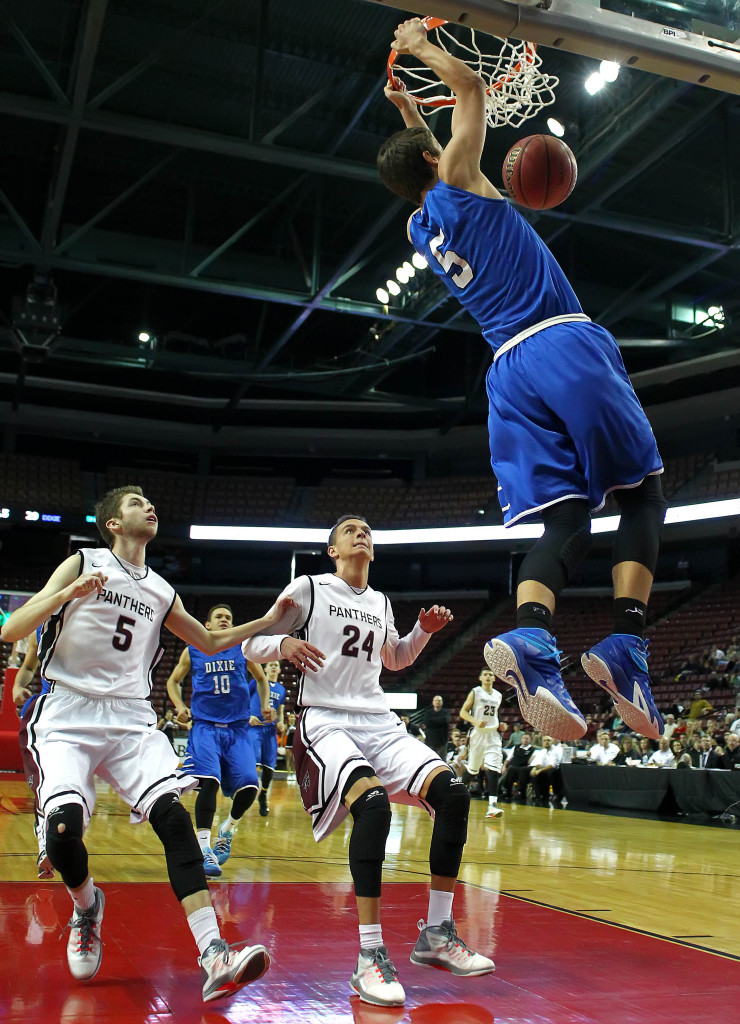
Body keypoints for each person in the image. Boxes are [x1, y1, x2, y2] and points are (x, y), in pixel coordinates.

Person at [379, 18, 666, 744]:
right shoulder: (461, 183)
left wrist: (408, 112)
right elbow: (471, 85)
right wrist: (419, 51)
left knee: (566, 521)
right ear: (434, 158)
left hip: (507, 372)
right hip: (560, 341)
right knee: (643, 492)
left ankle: (534, 641)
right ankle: (626, 644)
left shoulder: (421, 227)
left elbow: (420, 158)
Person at [0, 486, 293, 1001]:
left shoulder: (161, 589)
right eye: (137, 503)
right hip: (68, 711)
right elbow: (14, 631)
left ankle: (213, 953)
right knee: (65, 832)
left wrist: (268, 622)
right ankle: (88, 906)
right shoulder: (82, 561)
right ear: (112, 522)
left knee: (173, 817)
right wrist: (66, 595)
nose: (149, 507)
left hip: (131, 718)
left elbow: (210, 641)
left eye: (151, 502)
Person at [240, 514, 495, 1007]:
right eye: (350, 530)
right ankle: (369, 956)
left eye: (367, 531)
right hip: (325, 719)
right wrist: (284, 643)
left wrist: (422, 630)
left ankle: (437, 934)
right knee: (373, 806)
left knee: (454, 794)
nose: (362, 533)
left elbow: (395, 659)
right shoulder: (309, 587)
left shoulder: (380, 602)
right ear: (332, 550)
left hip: (377, 720)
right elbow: (253, 641)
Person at [166, 603, 272, 877]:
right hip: (205, 727)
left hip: (237, 730)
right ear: (208, 625)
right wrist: (179, 706)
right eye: (219, 617)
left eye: (229, 617)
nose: (225, 620)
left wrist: (265, 705)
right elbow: (173, 681)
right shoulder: (193, 650)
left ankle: (227, 829)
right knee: (208, 782)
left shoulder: (242, 649)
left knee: (251, 787)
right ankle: (204, 849)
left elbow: (261, 679)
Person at [12, 630, 54, 878]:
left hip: (87, 713)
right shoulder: (40, 627)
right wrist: (18, 685)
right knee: (42, 782)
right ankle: (44, 847)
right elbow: (29, 666)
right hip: (48, 711)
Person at [459, 668, 505, 819]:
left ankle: (492, 805)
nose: (488, 676)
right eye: (485, 674)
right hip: (478, 733)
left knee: (493, 767)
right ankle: (456, 789)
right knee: (473, 769)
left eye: (491, 674)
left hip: (493, 734)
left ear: (494, 678)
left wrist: (501, 725)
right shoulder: (475, 692)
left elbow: (495, 715)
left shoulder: (498, 695)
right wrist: (475, 721)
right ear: (480, 678)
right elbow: (463, 712)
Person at [248, 658, 286, 816]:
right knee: (252, 763)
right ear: (264, 669)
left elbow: (281, 710)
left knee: (269, 768)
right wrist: (248, 715)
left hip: (270, 732)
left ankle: (263, 795)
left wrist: (282, 723)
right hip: (254, 729)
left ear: (278, 671)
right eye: (270, 665)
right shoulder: (254, 682)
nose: (273, 667)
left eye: (275, 665)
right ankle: (244, 793)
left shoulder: (281, 689)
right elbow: (242, 699)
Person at [499, 731, 534, 802]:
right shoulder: (516, 747)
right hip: (513, 768)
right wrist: (504, 766)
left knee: (519, 771)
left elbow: (531, 762)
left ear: (530, 740)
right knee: (510, 770)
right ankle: (507, 793)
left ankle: (522, 794)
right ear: (521, 739)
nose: (525, 740)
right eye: (524, 738)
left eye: (527, 738)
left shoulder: (532, 750)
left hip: (524, 769)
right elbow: (508, 759)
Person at [528, 736, 564, 806]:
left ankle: (557, 794)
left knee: (550, 772)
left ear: (552, 742)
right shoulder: (542, 751)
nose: (546, 742)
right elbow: (538, 763)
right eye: (544, 741)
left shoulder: (556, 750)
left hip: (555, 770)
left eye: (548, 740)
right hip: (544, 768)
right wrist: (535, 769)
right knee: (532, 772)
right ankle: (540, 794)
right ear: (542, 743)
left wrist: (540, 770)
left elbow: (552, 765)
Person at [423, 695, 451, 760]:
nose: (437, 702)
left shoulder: (446, 712)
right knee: (429, 760)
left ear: (442, 702)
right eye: (436, 700)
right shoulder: (428, 712)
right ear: (433, 702)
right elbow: (426, 722)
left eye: (439, 701)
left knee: (442, 761)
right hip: (430, 741)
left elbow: (446, 720)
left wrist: (432, 721)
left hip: (442, 742)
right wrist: (440, 721)